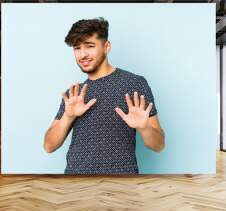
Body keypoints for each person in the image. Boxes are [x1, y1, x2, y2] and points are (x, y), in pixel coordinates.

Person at [43, 17, 165, 174]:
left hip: (122, 183)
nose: (82, 54)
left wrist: (145, 127)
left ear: (107, 46)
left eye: (89, 46)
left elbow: (159, 145)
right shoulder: (73, 95)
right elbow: (49, 145)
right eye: (77, 48)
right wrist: (68, 116)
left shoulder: (135, 83)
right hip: (76, 183)